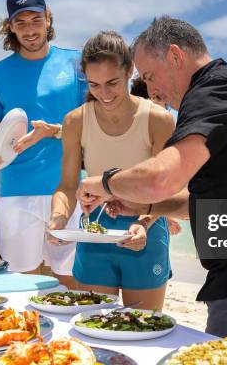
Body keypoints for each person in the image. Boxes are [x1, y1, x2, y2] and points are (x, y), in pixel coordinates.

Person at [77, 16, 227, 355]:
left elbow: (162, 177)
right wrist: (147, 207)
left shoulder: (217, 90)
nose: (153, 90)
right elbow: (205, 199)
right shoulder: (220, 91)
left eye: (149, 76)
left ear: (175, 56)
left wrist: (105, 182)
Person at [49, 31, 175, 310]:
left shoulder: (159, 120)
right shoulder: (74, 121)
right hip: (95, 232)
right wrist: (58, 219)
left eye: (112, 83)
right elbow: (68, 186)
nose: (103, 94)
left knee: (144, 328)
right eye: (94, 84)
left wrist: (143, 224)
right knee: (92, 323)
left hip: (147, 229)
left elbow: (166, 187)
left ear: (131, 71)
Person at [0, 0, 86, 287]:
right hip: (16, 191)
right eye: (20, 22)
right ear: (10, 26)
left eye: (36, 20)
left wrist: (54, 131)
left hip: (70, 189)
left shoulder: (78, 64)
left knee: (71, 280)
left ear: (48, 19)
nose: (29, 29)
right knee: (21, 283)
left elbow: (97, 124)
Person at [129, 77, 182, 236]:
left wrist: (164, 214)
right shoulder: (163, 129)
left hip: (143, 220)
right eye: (159, 98)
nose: (166, 108)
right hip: (146, 223)